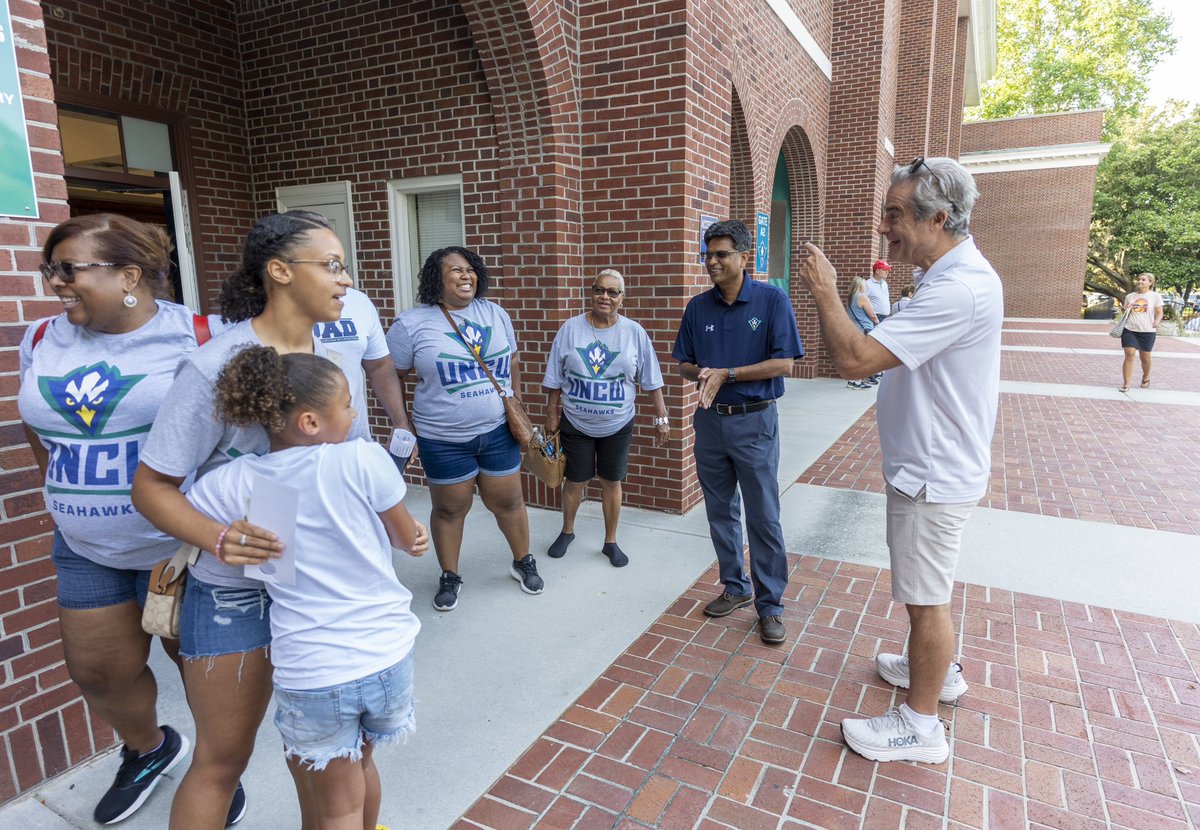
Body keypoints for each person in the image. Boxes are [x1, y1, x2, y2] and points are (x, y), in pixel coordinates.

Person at [131, 210, 369, 829]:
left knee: (326, 762)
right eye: (333, 265)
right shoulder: (215, 366)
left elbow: (346, 471)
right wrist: (219, 536)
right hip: (235, 597)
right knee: (222, 760)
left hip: (323, 597)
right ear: (280, 271)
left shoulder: (331, 363)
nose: (347, 280)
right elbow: (152, 487)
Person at [797, 156, 1002, 764]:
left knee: (925, 597)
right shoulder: (948, 275)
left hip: (931, 477)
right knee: (925, 592)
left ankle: (922, 724)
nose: (885, 228)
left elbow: (856, 360)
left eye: (894, 215)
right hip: (930, 469)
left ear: (938, 218)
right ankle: (938, 675)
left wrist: (826, 293)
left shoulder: (959, 288)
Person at [18, 214, 222, 824]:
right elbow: (38, 427)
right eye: (49, 269)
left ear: (130, 274)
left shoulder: (202, 336)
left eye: (68, 269)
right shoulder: (39, 339)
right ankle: (149, 749)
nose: (54, 283)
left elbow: (238, 440)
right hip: (86, 545)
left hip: (181, 547)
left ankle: (216, 771)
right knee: (99, 672)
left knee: (202, 673)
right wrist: (71, 489)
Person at [185, 346, 428, 830]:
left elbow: (179, 510)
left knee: (337, 805)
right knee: (363, 765)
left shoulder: (238, 480)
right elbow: (405, 537)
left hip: (313, 668)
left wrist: (226, 539)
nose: (355, 414)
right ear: (312, 422)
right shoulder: (364, 459)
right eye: (347, 405)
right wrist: (415, 537)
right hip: (385, 657)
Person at [386, 246, 541, 611]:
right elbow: (392, 375)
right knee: (451, 509)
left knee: (509, 502)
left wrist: (515, 400)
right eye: (455, 270)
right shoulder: (411, 324)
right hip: (442, 438)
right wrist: (402, 423)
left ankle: (522, 562)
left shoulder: (495, 314)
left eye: (470, 269)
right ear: (435, 279)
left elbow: (513, 361)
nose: (466, 276)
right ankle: (450, 575)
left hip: (498, 431)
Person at [672, 220, 803, 645]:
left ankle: (771, 605)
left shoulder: (771, 301)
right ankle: (735, 586)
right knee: (720, 509)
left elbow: (785, 363)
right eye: (707, 254)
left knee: (763, 514)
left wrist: (728, 373)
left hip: (755, 421)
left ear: (744, 256)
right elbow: (685, 363)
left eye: (721, 254)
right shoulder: (698, 307)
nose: (711, 261)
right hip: (710, 421)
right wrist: (704, 372)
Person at [542, 269, 670, 567]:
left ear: (622, 299)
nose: (605, 297)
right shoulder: (570, 329)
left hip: (618, 423)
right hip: (575, 421)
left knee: (611, 481)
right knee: (575, 480)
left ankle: (610, 541)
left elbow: (651, 377)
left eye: (613, 292)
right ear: (591, 292)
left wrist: (661, 415)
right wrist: (551, 413)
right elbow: (554, 377)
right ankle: (567, 531)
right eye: (599, 290)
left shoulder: (634, 332)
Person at [314, 285, 413, 460]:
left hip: (353, 445)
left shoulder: (358, 301)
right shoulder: (263, 308)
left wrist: (400, 422)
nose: (347, 279)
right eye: (330, 265)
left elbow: (380, 366)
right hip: (289, 454)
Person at [1119, 272, 1163, 392]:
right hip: (1130, 330)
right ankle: (1126, 384)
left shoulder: (1155, 296)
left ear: (1150, 283)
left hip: (1148, 331)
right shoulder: (1130, 296)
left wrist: (1157, 321)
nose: (1140, 281)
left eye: (1143, 280)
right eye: (1139, 279)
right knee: (1129, 354)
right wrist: (1127, 307)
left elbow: (1159, 312)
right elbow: (1125, 312)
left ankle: (1145, 376)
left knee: (1145, 358)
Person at [845, 276, 879, 389]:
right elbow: (872, 315)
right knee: (863, 357)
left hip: (854, 329)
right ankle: (858, 382)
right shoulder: (861, 297)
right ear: (861, 286)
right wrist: (877, 322)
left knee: (856, 356)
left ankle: (852, 381)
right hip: (865, 328)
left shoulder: (850, 298)